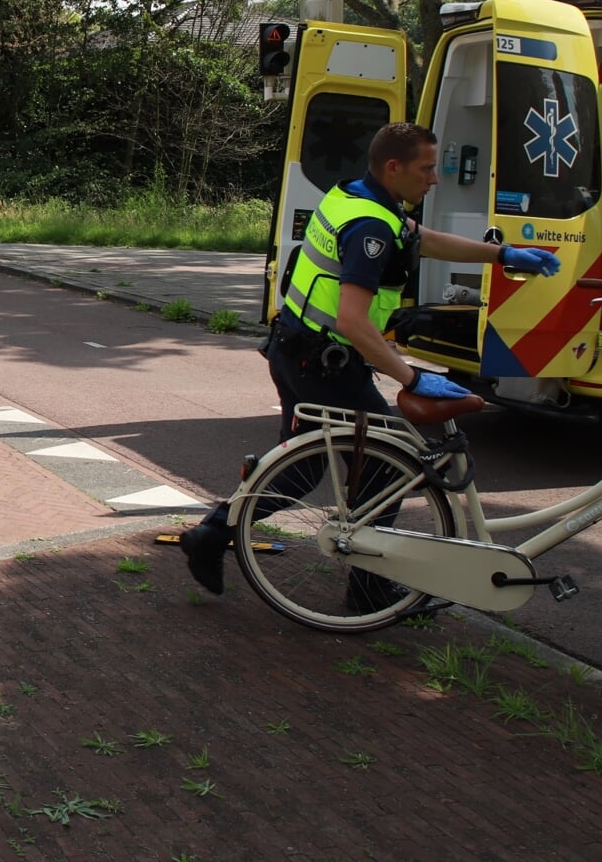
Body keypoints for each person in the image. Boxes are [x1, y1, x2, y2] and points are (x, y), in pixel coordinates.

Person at [179, 121, 561, 598]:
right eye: (427, 168)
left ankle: (211, 534)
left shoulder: (357, 198)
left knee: (298, 469)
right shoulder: (370, 227)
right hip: (325, 364)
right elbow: (353, 322)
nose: (435, 178)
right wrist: (412, 377)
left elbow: (425, 239)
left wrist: (503, 254)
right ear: (394, 167)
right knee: (386, 469)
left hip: (295, 350)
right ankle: (371, 590)